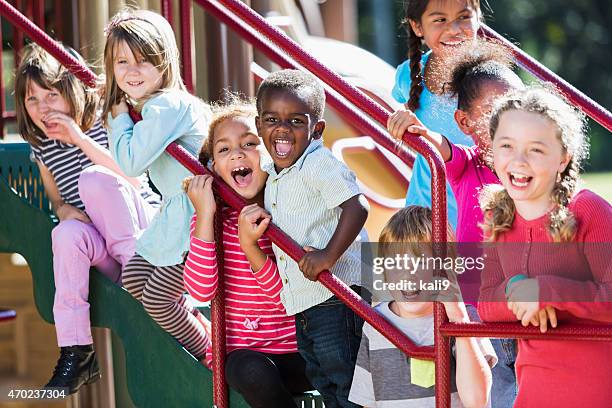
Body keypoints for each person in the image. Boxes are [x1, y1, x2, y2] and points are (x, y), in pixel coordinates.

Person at [15, 43, 158, 394]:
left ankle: (142, 286)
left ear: (72, 89)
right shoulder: (43, 146)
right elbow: (57, 198)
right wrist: (63, 211)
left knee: (93, 179)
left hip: (144, 243)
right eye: (32, 100)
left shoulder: (104, 119)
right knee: (65, 234)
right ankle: (77, 352)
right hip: (107, 251)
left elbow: (132, 177)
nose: (42, 108)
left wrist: (79, 139)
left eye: (50, 95)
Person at [388, 40, 523, 406]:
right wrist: (418, 130)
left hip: (523, 306)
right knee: (492, 393)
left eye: (519, 107)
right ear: (464, 122)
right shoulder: (469, 165)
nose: (512, 121)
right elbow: (440, 147)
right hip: (480, 309)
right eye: (497, 112)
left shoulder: (529, 171)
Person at [478, 86, 612, 408]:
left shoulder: (589, 211)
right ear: (492, 151)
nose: (518, 160)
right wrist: (517, 290)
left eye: (536, 149)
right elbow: (485, 304)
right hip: (534, 392)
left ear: (563, 159)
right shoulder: (497, 218)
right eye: (506, 145)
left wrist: (547, 291)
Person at [182, 97, 312, 407]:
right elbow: (200, 290)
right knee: (246, 369)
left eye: (249, 143)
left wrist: (250, 246)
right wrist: (205, 216)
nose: (237, 153)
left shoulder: (288, 214)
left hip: (298, 352)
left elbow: (287, 299)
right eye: (224, 149)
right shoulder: (212, 221)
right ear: (213, 168)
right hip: (248, 356)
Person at [251, 69, 369, 407]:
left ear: (316, 130)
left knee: (345, 380)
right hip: (304, 300)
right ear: (259, 126)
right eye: (272, 119)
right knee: (322, 379)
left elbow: (356, 207)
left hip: (335, 296)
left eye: (296, 122)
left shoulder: (317, 163)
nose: (283, 129)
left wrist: (328, 256)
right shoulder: (274, 172)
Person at [103, 9, 212, 361]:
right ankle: (202, 328)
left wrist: (119, 118)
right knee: (134, 277)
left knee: (157, 298)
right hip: (175, 215)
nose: (132, 71)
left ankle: (211, 355)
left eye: (144, 61)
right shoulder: (155, 105)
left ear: (164, 63)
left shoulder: (167, 104)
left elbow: (131, 162)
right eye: (122, 62)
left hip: (198, 218)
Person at [349, 206, 495, 407]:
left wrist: (459, 321)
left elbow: (477, 401)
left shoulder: (465, 318)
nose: (407, 274)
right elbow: (368, 401)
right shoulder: (375, 324)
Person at [394, 0, 483, 228]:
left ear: (477, 16)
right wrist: (402, 121)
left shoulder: (490, 78)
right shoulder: (408, 75)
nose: (453, 30)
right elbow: (407, 111)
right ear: (417, 27)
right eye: (440, 20)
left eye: (463, 17)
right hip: (426, 204)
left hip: (477, 204)